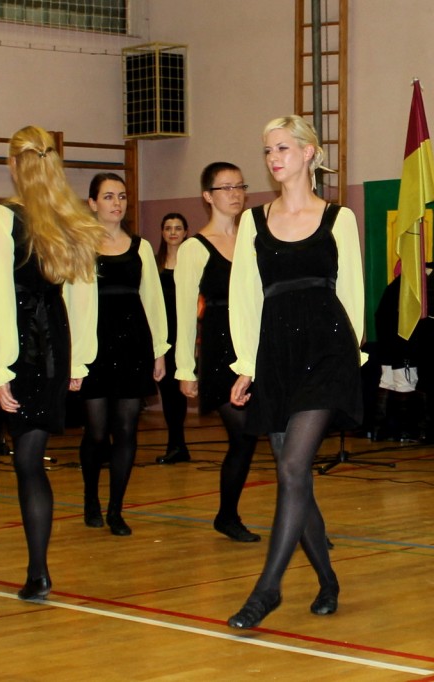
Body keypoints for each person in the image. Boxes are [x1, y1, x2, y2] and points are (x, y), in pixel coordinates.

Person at [226, 116, 364, 628]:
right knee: (295, 475)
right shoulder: (253, 221)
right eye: (268, 150)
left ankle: (267, 590)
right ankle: (327, 580)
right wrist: (246, 364)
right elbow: (244, 296)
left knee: (290, 468)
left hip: (328, 350)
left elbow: (352, 292)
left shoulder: (339, 218)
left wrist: (354, 358)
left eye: (283, 148)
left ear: (309, 152)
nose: (273, 158)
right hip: (277, 353)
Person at [0, 126, 101, 600]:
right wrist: (78, 362)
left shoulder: (0, 217)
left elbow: (0, 296)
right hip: (51, 346)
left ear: (13, 165)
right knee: (30, 463)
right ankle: (38, 573)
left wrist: (0, 370)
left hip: (2, 344)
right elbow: (84, 298)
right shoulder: (74, 220)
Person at [78, 172, 168, 537]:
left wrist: (159, 351)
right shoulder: (80, 245)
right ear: (92, 203)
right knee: (97, 431)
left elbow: (154, 301)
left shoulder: (141, 247)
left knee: (127, 429)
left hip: (133, 344)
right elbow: (72, 303)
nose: (117, 203)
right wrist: (74, 357)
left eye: (122, 196)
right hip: (94, 346)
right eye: (108, 196)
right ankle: (90, 498)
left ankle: (116, 509)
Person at [174, 162, 260, 542]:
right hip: (220, 349)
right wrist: (185, 369)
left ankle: (234, 516)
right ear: (207, 196)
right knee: (243, 434)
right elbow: (184, 313)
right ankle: (227, 515)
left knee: (261, 437)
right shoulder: (195, 248)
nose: (235, 194)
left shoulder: (254, 238)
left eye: (240, 186)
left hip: (255, 345)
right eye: (226, 187)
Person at [154, 213, 190, 464]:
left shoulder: (191, 262)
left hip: (184, 333)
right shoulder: (155, 264)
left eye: (178, 228)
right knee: (167, 391)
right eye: (168, 228)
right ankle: (176, 445)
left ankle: (178, 445)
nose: (173, 232)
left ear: (186, 232)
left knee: (180, 389)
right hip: (162, 335)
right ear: (162, 232)